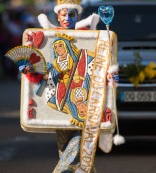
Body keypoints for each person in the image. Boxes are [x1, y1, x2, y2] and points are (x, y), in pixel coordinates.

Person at [37, 1, 100, 172]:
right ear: (57, 16)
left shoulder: (88, 38)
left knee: (80, 143)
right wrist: (31, 70)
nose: (66, 18)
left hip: (83, 104)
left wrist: (109, 74)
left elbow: (98, 66)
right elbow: (42, 73)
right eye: (63, 14)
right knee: (67, 150)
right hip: (59, 102)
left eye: (71, 14)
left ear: (77, 16)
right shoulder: (49, 37)